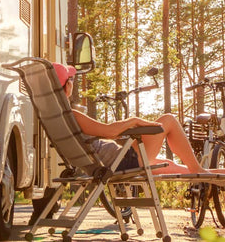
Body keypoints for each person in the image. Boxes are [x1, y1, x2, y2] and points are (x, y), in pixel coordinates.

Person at [53, 61, 220, 175]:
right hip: (123, 161)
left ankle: (208, 176)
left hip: (115, 161)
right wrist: (134, 120)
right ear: (67, 86)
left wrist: (125, 128)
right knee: (168, 120)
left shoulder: (59, 118)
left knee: (170, 165)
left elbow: (109, 132)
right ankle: (198, 170)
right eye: (72, 79)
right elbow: (110, 131)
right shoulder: (72, 115)